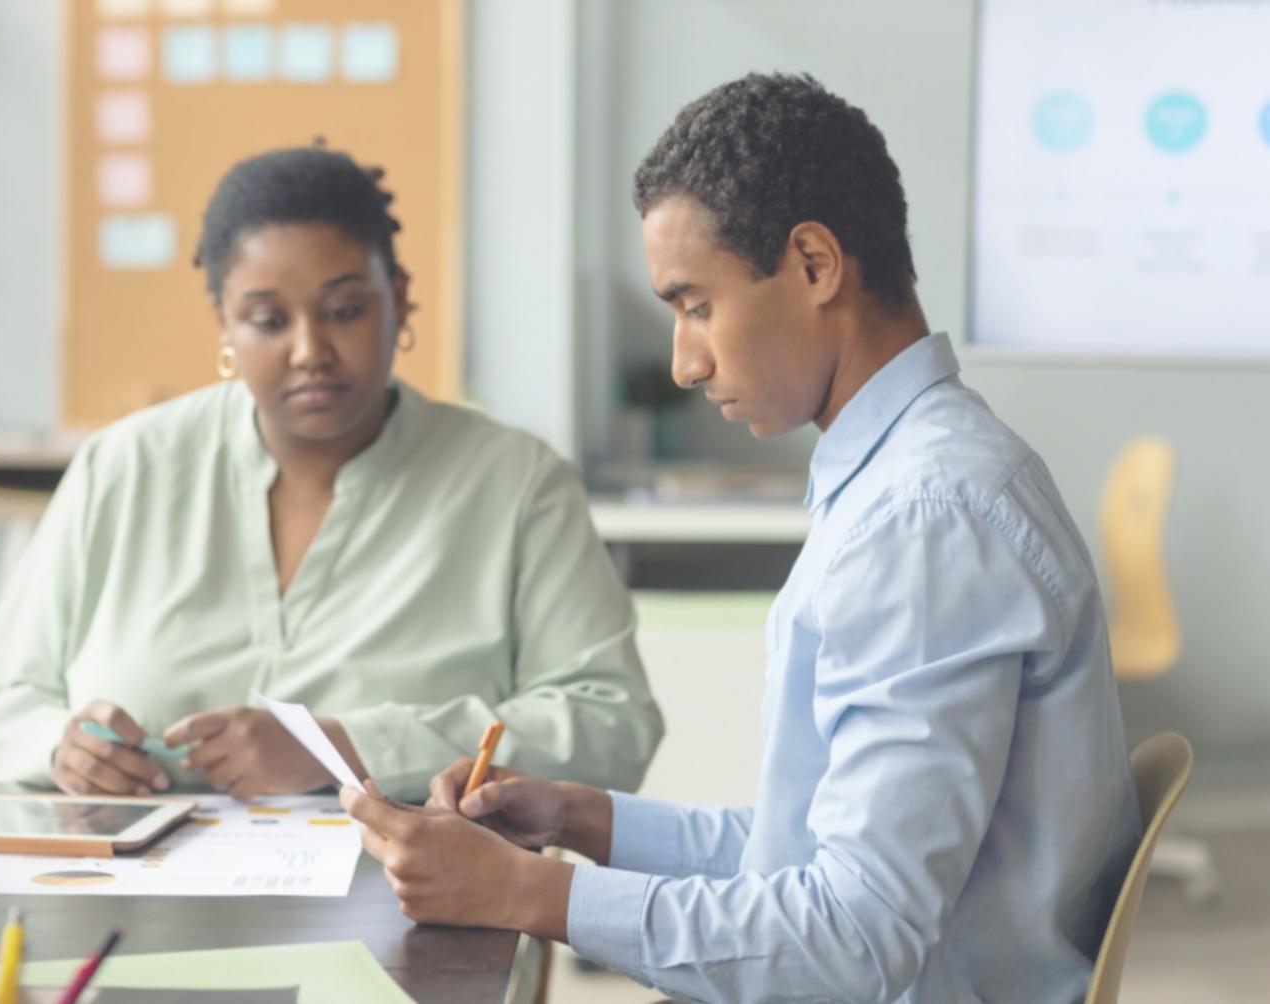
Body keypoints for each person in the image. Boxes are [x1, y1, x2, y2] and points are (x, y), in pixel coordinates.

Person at [343, 73, 1143, 1003]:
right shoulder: (908, 481)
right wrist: (574, 816)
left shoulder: (924, 520)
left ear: (813, 264)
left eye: (694, 305)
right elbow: (798, 850)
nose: (685, 360)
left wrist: (529, 894)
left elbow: (852, 937)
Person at [0, 146, 663, 804]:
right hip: (134, 904)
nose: (309, 351)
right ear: (223, 325)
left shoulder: (515, 484)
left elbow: (611, 724)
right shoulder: (123, 467)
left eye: (345, 310)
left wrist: (351, 748)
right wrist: (60, 747)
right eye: (266, 320)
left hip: (409, 904)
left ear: (401, 298)